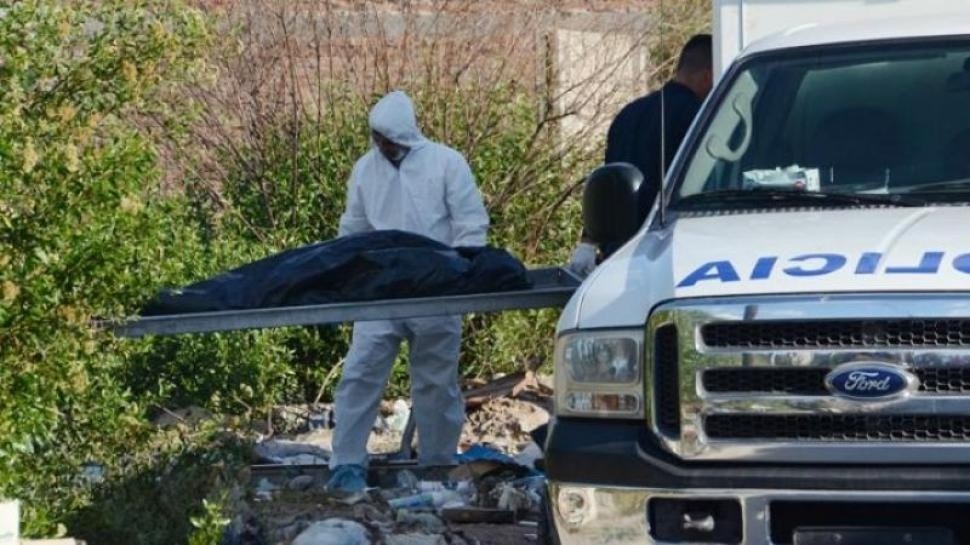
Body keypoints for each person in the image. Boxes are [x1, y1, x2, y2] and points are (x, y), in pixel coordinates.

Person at [326, 91, 489, 494]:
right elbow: (354, 229)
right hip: (381, 293)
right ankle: (346, 462)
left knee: (436, 382)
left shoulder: (446, 163)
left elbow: (470, 224)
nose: (383, 145)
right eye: (377, 137)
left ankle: (437, 464)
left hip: (437, 292)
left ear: (406, 134)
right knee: (360, 374)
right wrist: (347, 272)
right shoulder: (366, 170)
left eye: (388, 138)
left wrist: (464, 276)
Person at [568, 34, 713, 276]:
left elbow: (607, 185)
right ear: (709, 75)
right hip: (670, 253)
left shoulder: (628, 114)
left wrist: (589, 241)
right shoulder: (700, 119)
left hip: (618, 257)